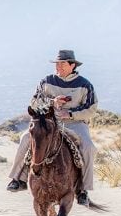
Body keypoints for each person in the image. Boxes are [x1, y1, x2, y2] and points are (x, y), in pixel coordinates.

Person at [6, 49, 98, 206]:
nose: (58, 67)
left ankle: (83, 189)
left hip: (75, 124)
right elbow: (34, 103)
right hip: (49, 122)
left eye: (62, 64)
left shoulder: (85, 85)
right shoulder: (46, 81)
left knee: (89, 147)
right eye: (57, 64)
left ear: (72, 65)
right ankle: (18, 178)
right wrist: (52, 102)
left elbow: (91, 109)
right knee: (26, 138)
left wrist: (69, 114)